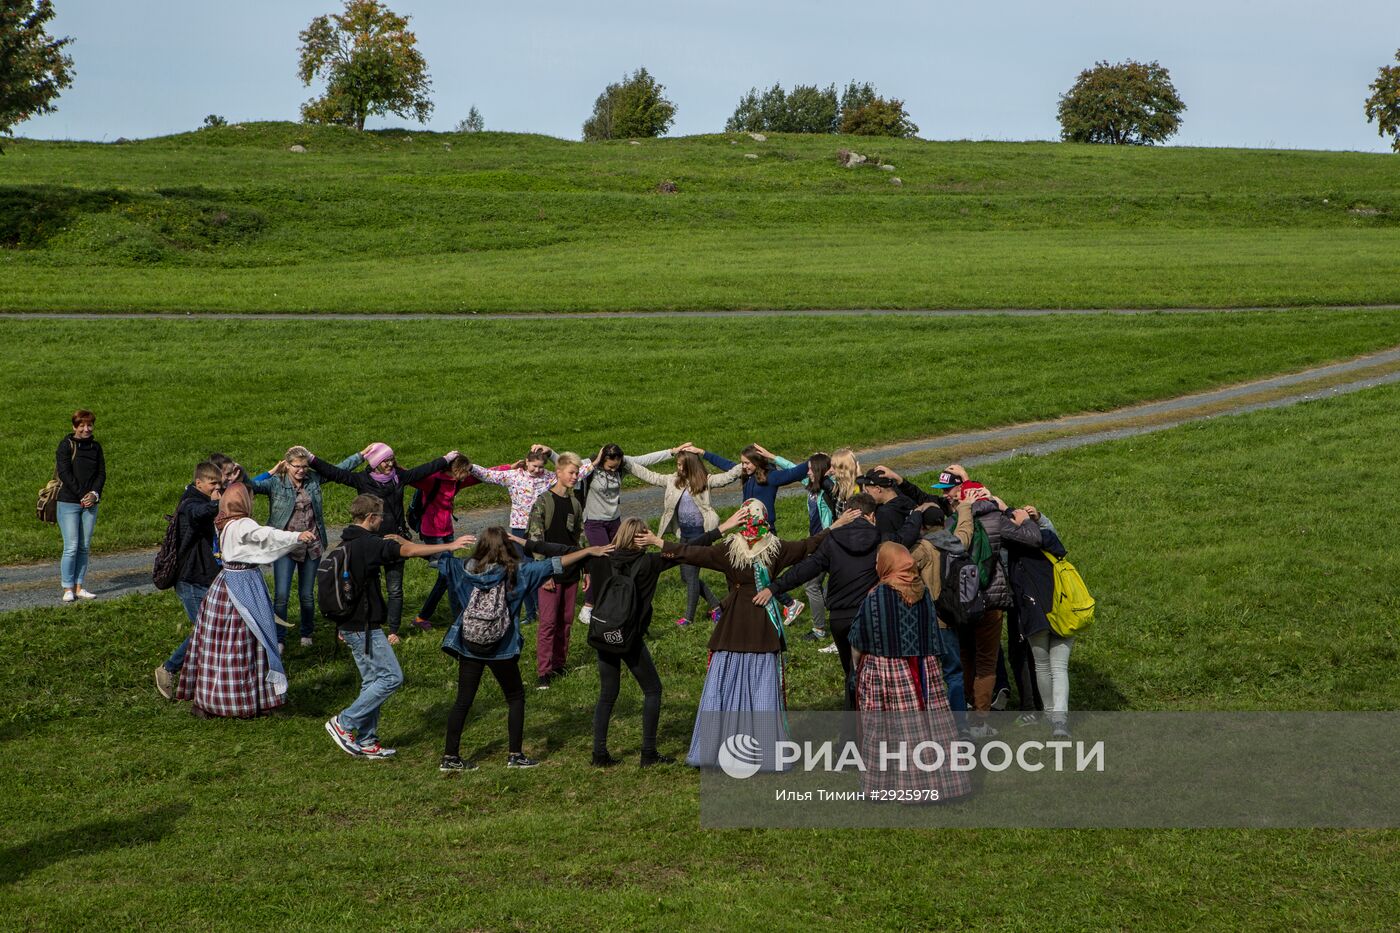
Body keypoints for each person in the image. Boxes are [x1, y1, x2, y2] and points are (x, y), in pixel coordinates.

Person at [643, 499, 825, 771]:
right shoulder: (777, 548)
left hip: (732, 624)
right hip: (763, 623)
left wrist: (660, 543)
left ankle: (712, 748)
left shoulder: (729, 549)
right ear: (764, 518)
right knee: (762, 686)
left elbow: (692, 553)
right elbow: (809, 545)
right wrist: (836, 526)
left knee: (722, 685)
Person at [435, 527, 611, 771]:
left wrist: (443, 546)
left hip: (469, 645)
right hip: (502, 647)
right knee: (515, 698)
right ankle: (515, 755)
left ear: (482, 547)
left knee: (463, 701)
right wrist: (588, 550)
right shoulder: (519, 572)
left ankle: (450, 757)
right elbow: (555, 564)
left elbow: (427, 558)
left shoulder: (463, 570)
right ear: (507, 548)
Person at [325, 495, 474, 759]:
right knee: (392, 677)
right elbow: (411, 552)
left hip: (351, 624)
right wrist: (451, 545)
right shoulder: (368, 544)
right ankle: (344, 723)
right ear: (370, 518)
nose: (383, 520)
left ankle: (368, 741)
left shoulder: (347, 541)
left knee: (372, 681)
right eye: (381, 516)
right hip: (363, 627)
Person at [174, 484, 316, 718]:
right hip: (244, 585)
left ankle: (208, 701)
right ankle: (245, 701)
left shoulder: (223, 520)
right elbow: (265, 535)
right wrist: (296, 536)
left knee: (215, 645)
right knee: (251, 640)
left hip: (224, 583)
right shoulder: (242, 523)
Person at [848, 542, 972, 802]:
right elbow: (931, 632)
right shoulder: (923, 592)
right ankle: (941, 783)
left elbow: (858, 637)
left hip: (887, 670)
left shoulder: (877, 596)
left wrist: (857, 670)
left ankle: (890, 786)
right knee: (931, 727)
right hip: (924, 668)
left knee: (889, 730)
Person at [308, 442, 459, 643]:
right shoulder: (361, 480)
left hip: (394, 539)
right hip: (369, 542)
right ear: (375, 463)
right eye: (385, 461)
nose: (390, 464)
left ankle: (393, 631)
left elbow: (423, 470)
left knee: (395, 589)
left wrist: (446, 459)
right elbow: (335, 473)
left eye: (391, 459)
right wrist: (311, 459)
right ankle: (353, 625)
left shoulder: (398, 477)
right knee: (361, 586)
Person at [757, 494, 877, 710]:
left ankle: (851, 728)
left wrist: (775, 587)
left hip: (840, 617)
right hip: (870, 615)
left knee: (851, 672)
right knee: (872, 670)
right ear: (872, 516)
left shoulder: (832, 541)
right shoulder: (881, 538)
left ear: (846, 514)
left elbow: (806, 569)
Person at [687, 443, 810, 625]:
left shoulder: (771, 477)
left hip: (764, 532)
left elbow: (795, 472)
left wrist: (814, 460)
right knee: (750, 573)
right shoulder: (747, 474)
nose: (743, 466)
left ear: (757, 462)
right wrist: (703, 453)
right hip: (747, 531)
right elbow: (726, 465)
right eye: (742, 463)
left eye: (747, 463)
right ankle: (779, 605)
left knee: (761, 575)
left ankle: (789, 604)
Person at [251, 445, 362, 647]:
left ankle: (307, 633)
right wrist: (271, 472)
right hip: (285, 546)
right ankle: (279, 638)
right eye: (296, 466)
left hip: (312, 546)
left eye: (304, 466)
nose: (301, 470)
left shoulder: (313, 479)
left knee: (307, 595)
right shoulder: (275, 483)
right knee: (281, 596)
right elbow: (248, 485)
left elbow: (339, 470)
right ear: (287, 465)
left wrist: (361, 455)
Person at [625, 447, 743, 627]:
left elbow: (727, 477)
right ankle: (717, 607)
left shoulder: (706, 480)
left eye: (682, 465)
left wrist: (745, 464)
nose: (679, 468)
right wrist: (627, 464)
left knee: (691, 574)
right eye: (677, 464)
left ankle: (688, 618)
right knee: (686, 576)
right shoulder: (673, 480)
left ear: (691, 465)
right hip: (684, 534)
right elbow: (651, 476)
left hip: (701, 534)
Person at [470, 445, 576, 624]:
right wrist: (471, 466)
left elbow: (572, 471)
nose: (537, 470)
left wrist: (594, 462)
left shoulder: (549, 477)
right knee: (521, 569)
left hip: (540, 529)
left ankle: (544, 607)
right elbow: (488, 475)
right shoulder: (514, 476)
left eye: (541, 467)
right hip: (519, 529)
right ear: (526, 462)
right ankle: (530, 611)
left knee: (540, 569)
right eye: (533, 466)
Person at [576, 443, 676, 623]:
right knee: (602, 561)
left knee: (620, 557)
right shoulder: (591, 465)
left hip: (614, 520)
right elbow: (567, 464)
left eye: (617, 466)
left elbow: (645, 459)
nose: (614, 469)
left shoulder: (622, 465)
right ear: (602, 460)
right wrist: (549, 452)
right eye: (610, 466)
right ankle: (588, 606)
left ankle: (615, 596)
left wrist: (671, 452)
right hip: (594, 521)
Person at [1001, 505, 1074, 738]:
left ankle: (1051, 715)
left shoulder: (1010, 547)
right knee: (1059, 667)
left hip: (1033, 613)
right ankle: (1060, 720)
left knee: (1043, 665)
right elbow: (1058, 544)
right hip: (1061, 608)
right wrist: (1034, 520)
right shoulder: (1046, 539)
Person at [154, 460, 224, 700]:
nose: (217, 488)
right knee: (205, 631)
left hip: (206, 578)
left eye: (220, 484)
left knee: (212, 630)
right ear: (199, 483)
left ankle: (200, 679)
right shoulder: (190, 504)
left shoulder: (202, 500)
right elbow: (199, 513)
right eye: (213, 483)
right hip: (191, 580)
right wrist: (216, 503)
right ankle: (168, 669)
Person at [526, 451, 590, 688]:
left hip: (572, 572)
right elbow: (534, 538)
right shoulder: (543, 501)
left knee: (566, 620)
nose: (575, 477)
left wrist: (587, 570)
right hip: (549, 573)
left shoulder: (575, 503)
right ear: (558, 473)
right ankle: (544, 671)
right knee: (548, 623)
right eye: (571, 473)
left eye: (577, 473)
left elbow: (580, 539)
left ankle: (560, 665)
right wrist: (543, 572)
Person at [408, 455, 491, 631]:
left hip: (448, 532)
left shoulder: (457, 481)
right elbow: (410, 476)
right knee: (449, 575)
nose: (468, 474)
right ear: (456, 470)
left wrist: (510, 467)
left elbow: (484, 475)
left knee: (447, 575)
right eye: (466, 471)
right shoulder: (432, 481)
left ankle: (425, 617)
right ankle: (446, 617)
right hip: (432, 533)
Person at [55, 409, 105, 602]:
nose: (86, 429)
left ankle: (79, 586)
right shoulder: (66, 445)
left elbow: (101, 473)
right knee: (71, 546)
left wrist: (94, 494)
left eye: (89, 425)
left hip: (90, 503)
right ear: (74, 427)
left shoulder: (95, 447)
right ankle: (67, 588)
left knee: (84, 547)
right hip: (68, 502)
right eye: (82, 425)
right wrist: (82, 495)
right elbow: (64, 474)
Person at [799, 452, 840, 642]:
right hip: (816, 542)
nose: (807, 472)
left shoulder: (829, 490)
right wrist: (773, 457)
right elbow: (794, 469)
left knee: (811, 584)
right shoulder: (811, 489)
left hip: (826, 542)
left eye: (810, 469)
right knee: (826, 584)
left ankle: (819, 629)